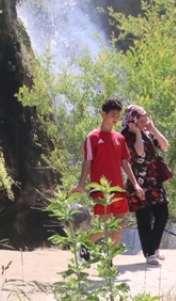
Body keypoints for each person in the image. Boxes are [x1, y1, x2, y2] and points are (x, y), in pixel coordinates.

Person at [72, 98, 145, 253]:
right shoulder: (93, 137)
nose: (115, 119)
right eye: (112, 115)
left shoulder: (119, 138)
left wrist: (136, 184)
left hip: (118, 188)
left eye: (118, 115)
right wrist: (81, 184)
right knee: (104, 227)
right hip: (101, 189)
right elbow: (87, 162)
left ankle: (108, 259)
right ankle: (83, 246)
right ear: (103, 114)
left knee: (120, 225)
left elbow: (125, 163)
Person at [122, 104, 170, 266]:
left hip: (154, 181)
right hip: (138, 182)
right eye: (141, 121)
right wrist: (137, 133)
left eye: (145, 120)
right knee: (144, 219)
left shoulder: (147, 133)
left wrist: (153, 129)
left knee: (162, 214)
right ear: (132, 121)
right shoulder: (125, 136)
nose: (144, 124)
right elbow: (139, 152)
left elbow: (164, 145)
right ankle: (149, 253)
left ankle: (154, 248)